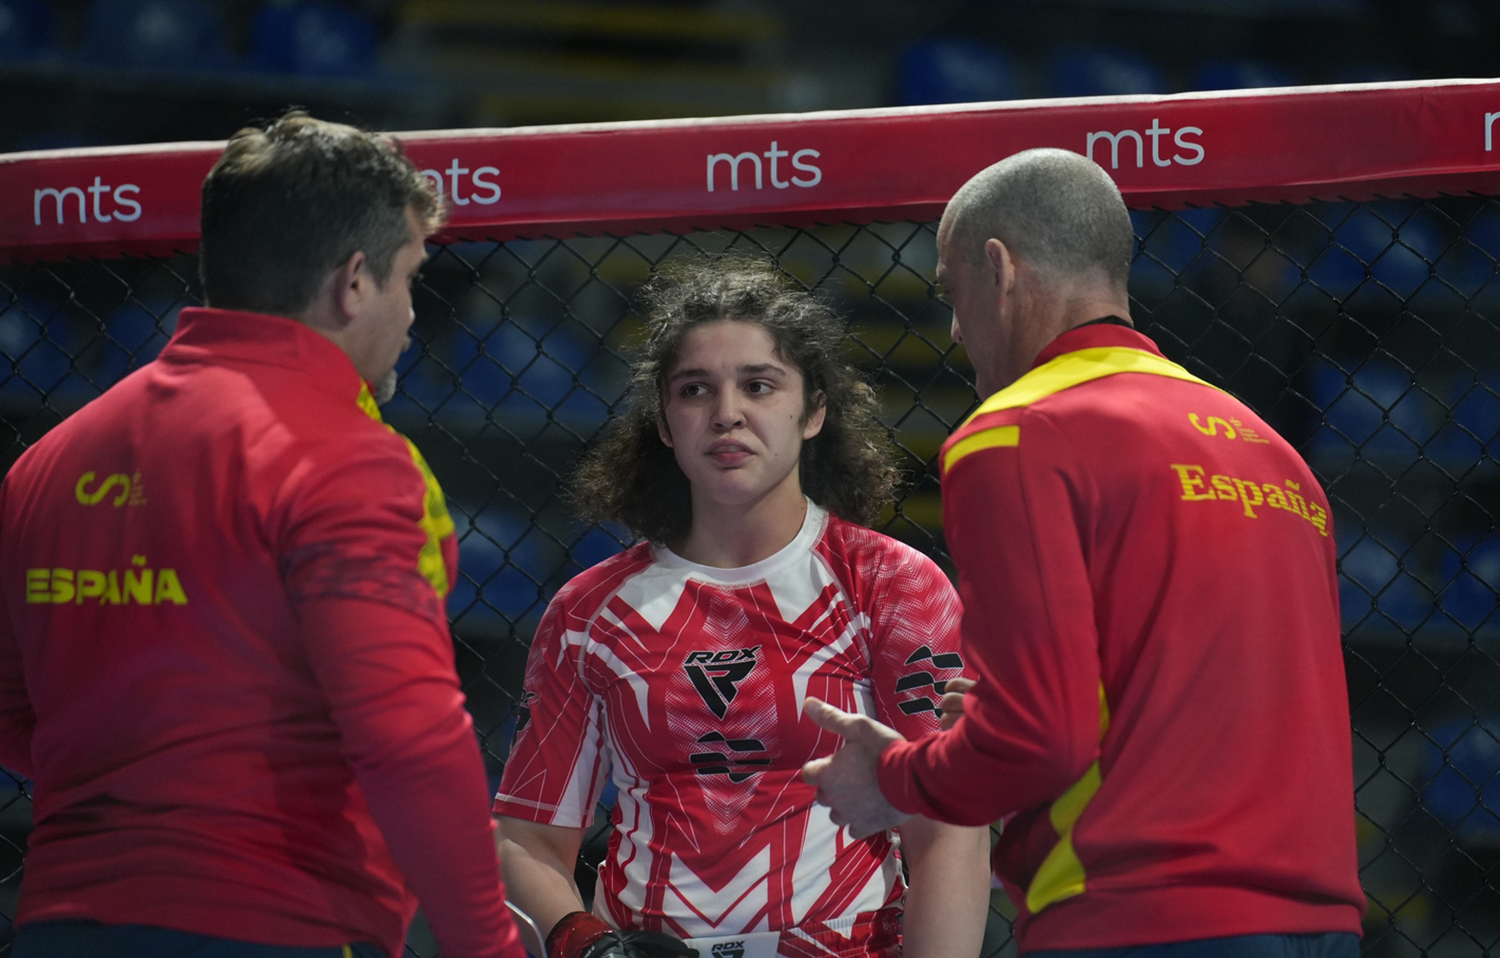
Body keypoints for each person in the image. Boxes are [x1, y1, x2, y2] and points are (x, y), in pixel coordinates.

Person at [801, 148, 1367, 957]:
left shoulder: (1015, 434)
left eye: (952, 294)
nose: (957, 329)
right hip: (1322, 920)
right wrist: (991, 728)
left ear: (997, 269)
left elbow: (1040, 737)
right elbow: (1168, 694)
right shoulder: (1272, 450)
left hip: (1139, 914)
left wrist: (895, 780)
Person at [0, 110, 524, 958]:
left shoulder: (50, 460)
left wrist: (148, 768)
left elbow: (15, 714)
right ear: (353, 282)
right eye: (409, 279)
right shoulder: (349, 461)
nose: (412, 315)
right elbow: (409, 737)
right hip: (278, 918)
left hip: (58, 923)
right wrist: (487, 946)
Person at [491, 256, 991, 958]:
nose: (727, 413)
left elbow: (947, 826)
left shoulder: (891, 585)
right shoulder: (591, 611)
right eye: (696, 390)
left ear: (813, 410)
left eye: (759, 385)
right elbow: (529, 834)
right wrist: (589, 946)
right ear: (665, 422)